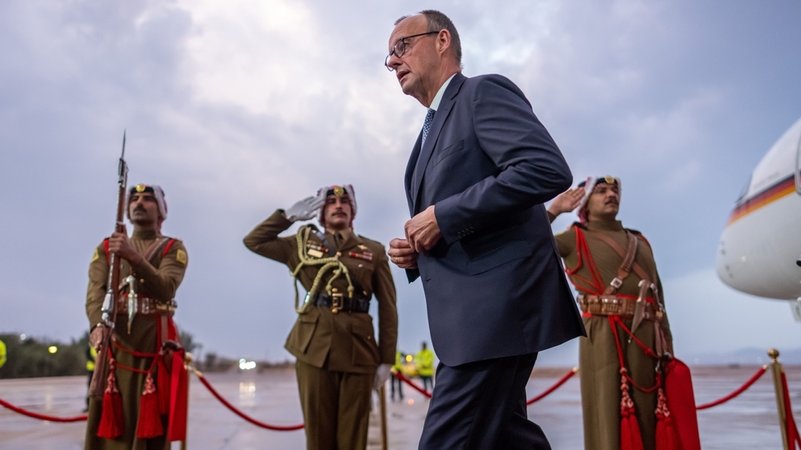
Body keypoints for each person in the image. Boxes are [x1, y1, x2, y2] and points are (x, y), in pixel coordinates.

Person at [384, 10, 585, 449]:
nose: (392, 62)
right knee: (509, 440)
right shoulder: (427, 134)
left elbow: (545, 169)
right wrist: (418, 250)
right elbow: (464, 215)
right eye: (388, 56)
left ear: (442, 40)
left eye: (401, 46)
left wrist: (445, 216)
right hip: (472, 321)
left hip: (495, 314)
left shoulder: (480, 93)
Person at [243, 184, 398, 450]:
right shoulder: (301, 244)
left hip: (359, 351)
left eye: (345, 202)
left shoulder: (373, 251)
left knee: (353, 438)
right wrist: (287, 217)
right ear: (320, 213)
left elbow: (388, 307)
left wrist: (386, 359)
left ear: (353, 212)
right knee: (318, 437)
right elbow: (254, 241)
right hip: (314, 349)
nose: (338, 205)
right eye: (330, 203)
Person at [547, 176, 674, 450]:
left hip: (646, 337)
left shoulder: (640, 241)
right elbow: (527, 241)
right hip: (602, 335)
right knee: (606, 414)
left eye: (615, 190)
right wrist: (554, 210)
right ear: (585, 201)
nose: (610, 194)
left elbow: (658, 299)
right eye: (601, 191)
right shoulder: (574, 237)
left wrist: (668, 347)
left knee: (649, 413)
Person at [84, 183, 189, 450]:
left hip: (154, 349)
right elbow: (96, 292)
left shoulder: (173, 248)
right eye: (135, 199)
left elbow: (165, 289)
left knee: (152, 431)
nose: (139, 203)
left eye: (148, 199)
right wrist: (97, 324)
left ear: (162, 211)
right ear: (127, 210)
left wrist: (133, 256)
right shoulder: (106, 248)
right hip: (116, 350)